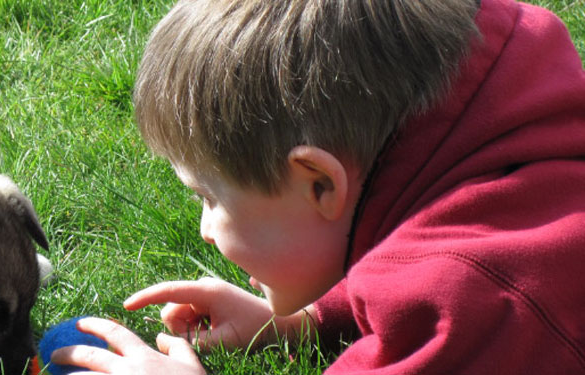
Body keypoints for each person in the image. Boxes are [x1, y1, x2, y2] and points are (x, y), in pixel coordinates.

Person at [51, 0, 585, 373]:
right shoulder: (498, 117)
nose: (205, 230)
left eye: (210, 199)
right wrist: (308, 323)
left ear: (322, 185)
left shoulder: (477, 301)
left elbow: (448, 293)